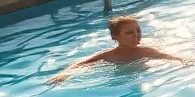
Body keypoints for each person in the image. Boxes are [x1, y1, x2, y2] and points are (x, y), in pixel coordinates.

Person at [50, 16, 183, 83]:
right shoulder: (107, 56)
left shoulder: (146, 52)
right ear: (115, 36)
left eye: (138, 30)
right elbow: (78, 65)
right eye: (130, 33)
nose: (137, 35)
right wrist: (64, 74)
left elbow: (173, 58)